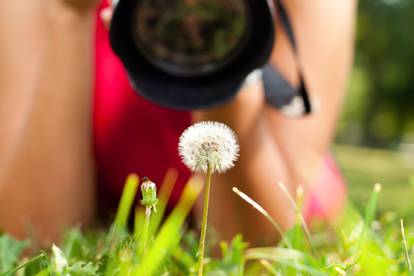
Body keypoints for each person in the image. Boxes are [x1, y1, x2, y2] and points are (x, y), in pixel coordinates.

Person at [0, 0, 357, 244]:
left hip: (271, 173)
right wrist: (68, 14)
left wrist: (226, 50)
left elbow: (256, 250)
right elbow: (34, 240)